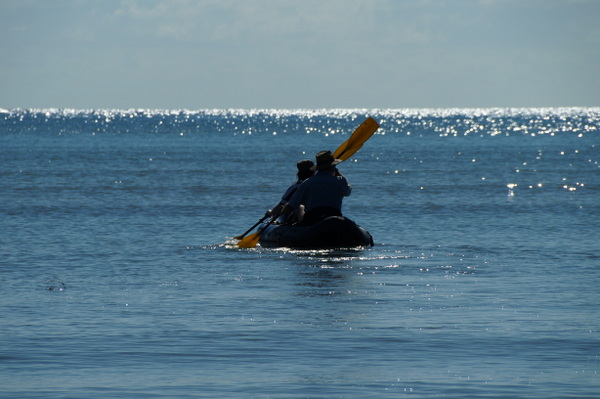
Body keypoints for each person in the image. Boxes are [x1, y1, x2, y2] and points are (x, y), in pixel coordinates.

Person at [283, 150, 352, 225]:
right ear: (333, 167)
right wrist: (337, 173)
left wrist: (281, 213)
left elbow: (291, 205)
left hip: (312, 220)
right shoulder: (340, 181)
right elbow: (348, 191)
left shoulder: (307, 182)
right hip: (334, 218)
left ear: (318, 168)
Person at [266, 159, 315, 224]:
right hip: (315, 215)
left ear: (299, 173)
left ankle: (302, 225)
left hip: (301, 218)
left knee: (299, 207)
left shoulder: (296, 187)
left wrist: (271, 212)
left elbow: (281, 205)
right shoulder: (318, 185)